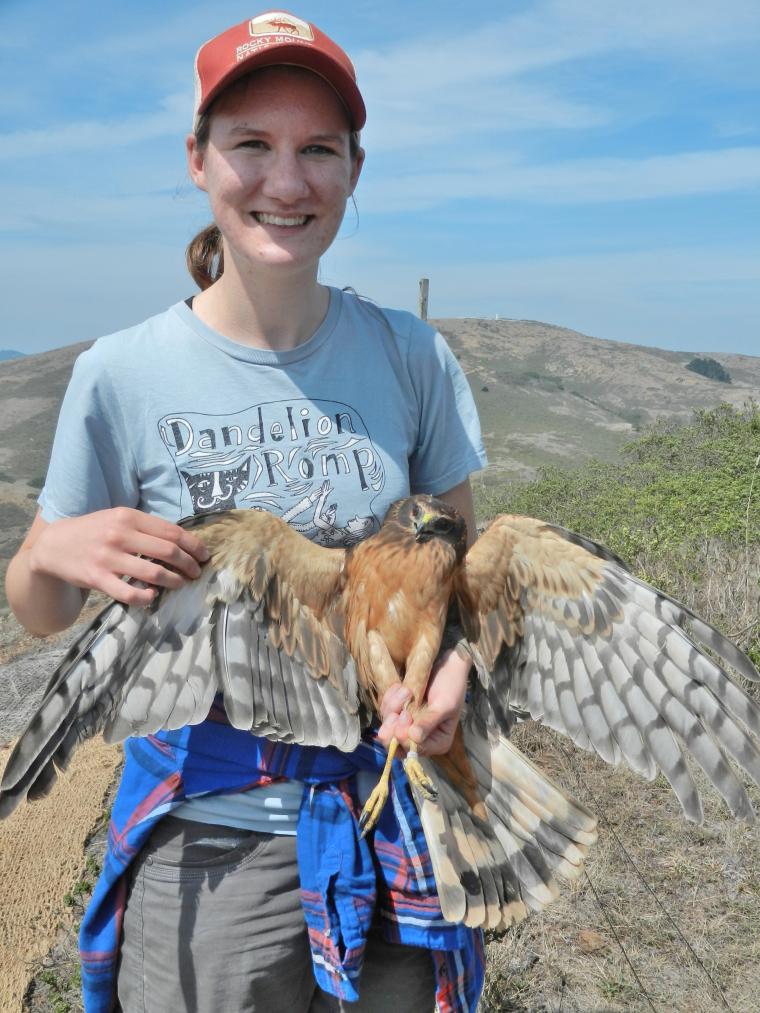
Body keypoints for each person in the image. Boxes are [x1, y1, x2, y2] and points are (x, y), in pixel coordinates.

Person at [6, 11, 488, 1012]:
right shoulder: (123, 374)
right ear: (197, 159)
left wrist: (452, 673)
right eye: (252, 145)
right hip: (208, 845)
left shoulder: (409, 356)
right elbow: (38, 610)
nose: (287, 180)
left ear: (354, 167)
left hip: (391, 813)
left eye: (317, 148)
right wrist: (55, 546)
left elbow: (460, 567)